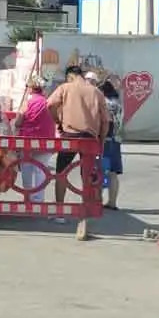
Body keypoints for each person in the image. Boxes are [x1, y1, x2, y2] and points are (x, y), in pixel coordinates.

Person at [46, 65, 110, 214]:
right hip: (90, 138)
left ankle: (59, 212)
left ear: (70, 76)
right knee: (87, 174)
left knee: (62, 172)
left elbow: (49, 105)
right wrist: (101, 141)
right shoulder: (96, 92)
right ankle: (86, 210)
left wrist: (58, 121)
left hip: (69, 136)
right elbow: (106, 120)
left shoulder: (65, 87)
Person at [13, 75, 57, 204]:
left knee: (26, 169)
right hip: (46, 142)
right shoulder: (48, 102)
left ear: (31, 88)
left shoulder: (28, 102)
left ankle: (28, 197)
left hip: (28, 142)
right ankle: (38, 199)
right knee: (41, 171)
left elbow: (18, 122)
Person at [100, 79, 124, 210]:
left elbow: (106, 123)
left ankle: (99, 198)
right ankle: (113, 202)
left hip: (106, 140)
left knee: (103, 170)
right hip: (117, 140)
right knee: (113, 172)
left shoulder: (105, 104)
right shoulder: (118, 104)